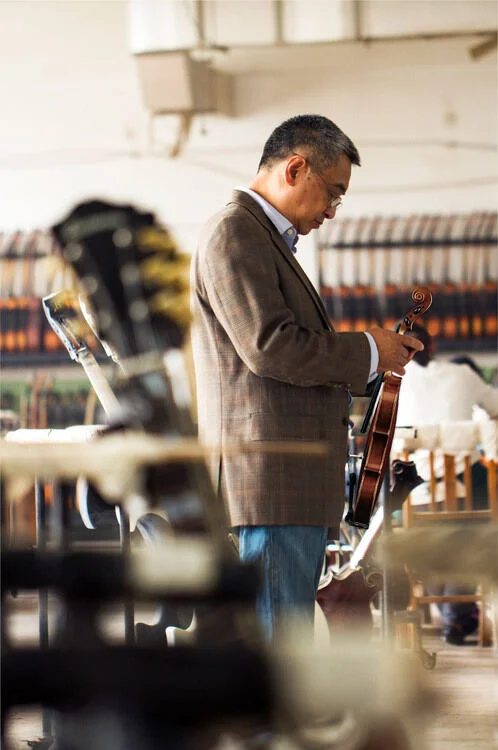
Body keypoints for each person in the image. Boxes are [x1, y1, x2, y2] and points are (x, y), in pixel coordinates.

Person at [190, 114, 423, 644]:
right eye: (333, 194)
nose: (333, 212)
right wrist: (368, 349)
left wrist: (374, 354)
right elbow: (270, 346)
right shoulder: (235, 232)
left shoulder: (262, 238)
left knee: (286, 645)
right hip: (271, 482)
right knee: (280, 653)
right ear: (296, 168)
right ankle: (275, 731)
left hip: (288, 483)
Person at [396, 323, 498, 645]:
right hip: (466, 495)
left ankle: (451, 610)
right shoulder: (464, 375)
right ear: (433, 345)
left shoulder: (392, 382)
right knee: (470, 527)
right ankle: (457, 615)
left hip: (416, 495)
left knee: (406, 526)